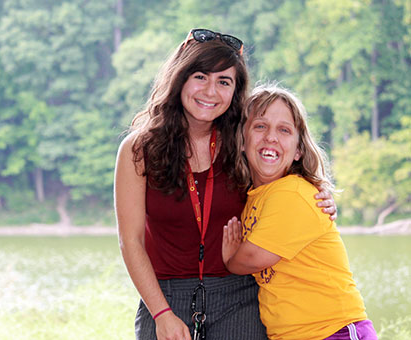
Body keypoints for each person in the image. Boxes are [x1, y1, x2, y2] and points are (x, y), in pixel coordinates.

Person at [115, 29, 337, 340]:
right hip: (164, 297)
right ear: (180, 79)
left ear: (235, 91)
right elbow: (131, 241)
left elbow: (286, 178)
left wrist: (320, 192)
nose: (210, 91)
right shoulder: (138, 149)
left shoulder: (243, 141)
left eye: (224, 81)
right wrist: (161, 313)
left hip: (239, 297)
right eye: (200, 76)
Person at [222, 84, 378, 340]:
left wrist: (231, 259)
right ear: (242, 140)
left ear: (298, 151)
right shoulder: (257, 197)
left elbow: (251, 258)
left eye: (284, 130)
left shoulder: (292, 192)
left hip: (333, 331)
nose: (271, 137)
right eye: (260, 126)